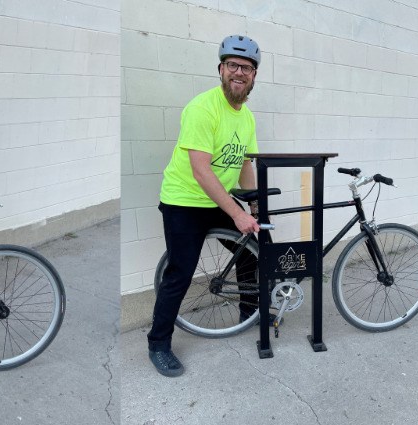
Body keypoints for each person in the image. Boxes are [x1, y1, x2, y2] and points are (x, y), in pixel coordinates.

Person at [147, 35, 262, 377]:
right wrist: (237, 212)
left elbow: (244, 165)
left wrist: (253, 207)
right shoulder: (202, 108)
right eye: (233, 65)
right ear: (221, 70)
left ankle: (249, 311)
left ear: (254, 76)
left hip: (217, 200)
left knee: (247, 251)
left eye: (247, 67)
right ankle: (158, 344)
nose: (239, 72)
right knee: (180, 272)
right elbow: (200, 169)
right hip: (184, 200)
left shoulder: (247, 117)